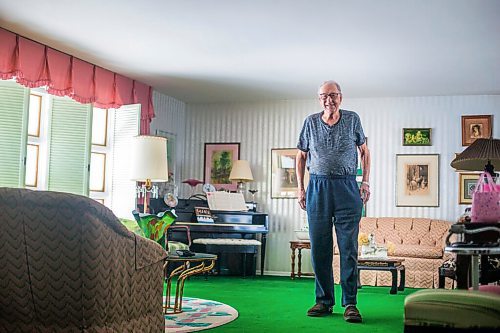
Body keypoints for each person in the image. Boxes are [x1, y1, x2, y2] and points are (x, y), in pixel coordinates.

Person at [296, 80, 370, 323]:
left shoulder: (352, 119)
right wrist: (300, 188)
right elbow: (301, 156)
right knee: (320, 247)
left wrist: (365, 182)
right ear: (319, 99)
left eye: (333, 95)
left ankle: (350, 303)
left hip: (347, 185)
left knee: (349, 248)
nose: (329, 100)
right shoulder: (309, 122)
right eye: (324, 96)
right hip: (317, 186)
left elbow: (365, 152)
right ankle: (324, 301)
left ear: (341, 97)